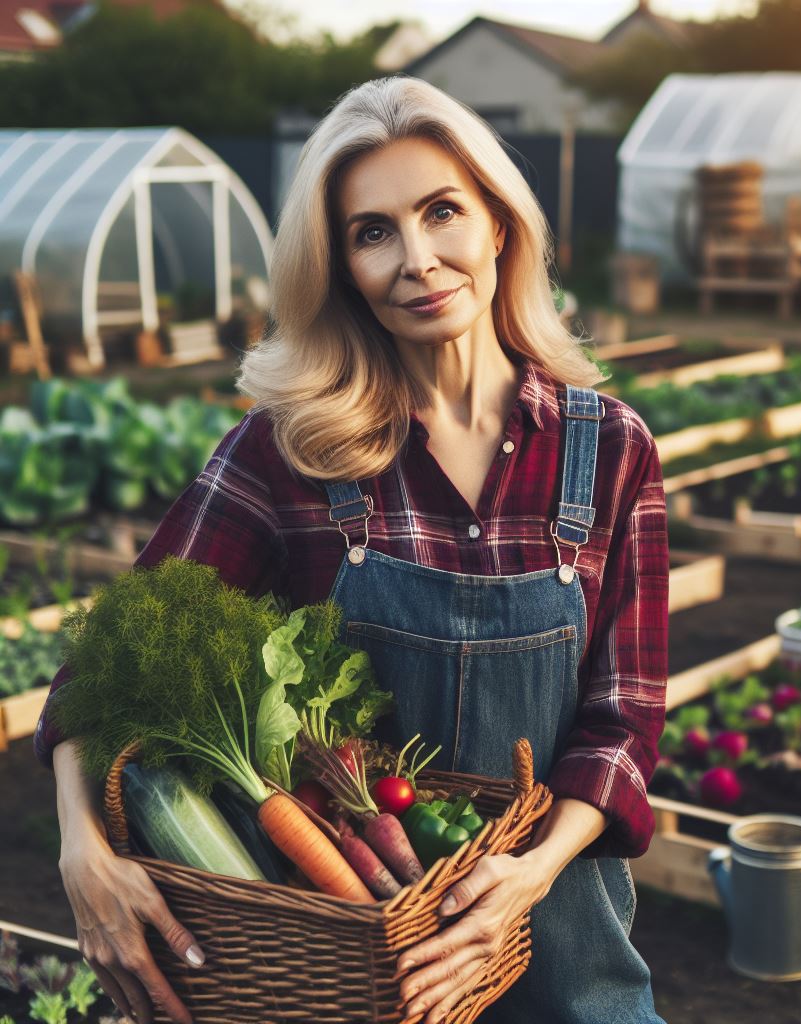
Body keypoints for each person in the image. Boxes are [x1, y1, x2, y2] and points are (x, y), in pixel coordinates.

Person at [37, 75, 669, 1024]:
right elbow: (107, 663)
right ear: (338, 268)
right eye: (373, 233)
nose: (417, 259)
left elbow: (626, 718)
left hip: (562, 954)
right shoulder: (288, 452)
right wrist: (82, 849)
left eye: (441, 212)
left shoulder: (609, 448)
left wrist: (529, 875)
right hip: (358, 978)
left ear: (499, 225)